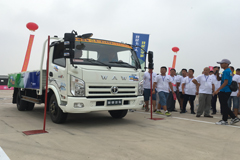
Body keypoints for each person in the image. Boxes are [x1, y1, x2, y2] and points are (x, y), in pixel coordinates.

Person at [213, 59, 240, 125]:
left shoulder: (226, 71)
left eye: (222, 63)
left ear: (226, 64)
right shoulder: (228, 71)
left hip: (224, 90)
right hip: (226, 90)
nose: (221, 65)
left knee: (224, 105)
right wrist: (217, 74)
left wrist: (217, 90)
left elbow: (226, 82)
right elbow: (219, 79)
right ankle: (227, 119)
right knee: (224, 105)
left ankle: (231, 118)